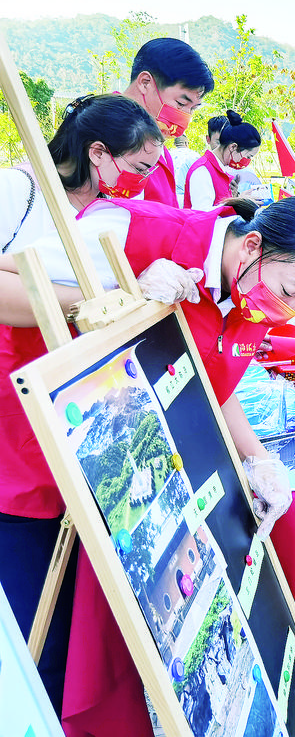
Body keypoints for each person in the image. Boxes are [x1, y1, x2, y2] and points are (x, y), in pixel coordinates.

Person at [1, 193, 295, 734]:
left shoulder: (251, 289)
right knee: (52, 642)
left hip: (130, 471)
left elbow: (218, 383)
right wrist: (120, 297)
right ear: (253, 245)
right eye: (289, 293)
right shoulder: (127, 228)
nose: (289, 311)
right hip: (37, 452)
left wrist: (259, 460)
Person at [0, 93, 163, 720]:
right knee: (25, 591)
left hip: (58, 414)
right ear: (98, 154)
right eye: (139, 168)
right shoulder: (19, 191)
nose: (144, 184)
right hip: (14, 409)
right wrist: (81, 303)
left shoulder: (99, 214)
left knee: (61, 594)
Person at [121, 37, 214, 207]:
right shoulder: (103, 131)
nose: (185, 117)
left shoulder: (162, 151)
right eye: (180, 104)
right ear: (145, 83)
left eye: (193, 109)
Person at [184, 109, 261, 210]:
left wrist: (237, 198)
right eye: (248, 156)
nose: (247, 161)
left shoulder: (221, 169)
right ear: (233, 147)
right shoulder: (202, 170)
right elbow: (202, 214)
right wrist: (239, 203)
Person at [170, 133, 201, 202]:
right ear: (187, 143)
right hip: (187, 197)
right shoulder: (194, 156)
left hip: (169, 197)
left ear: (174, 144)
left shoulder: (168, 155)